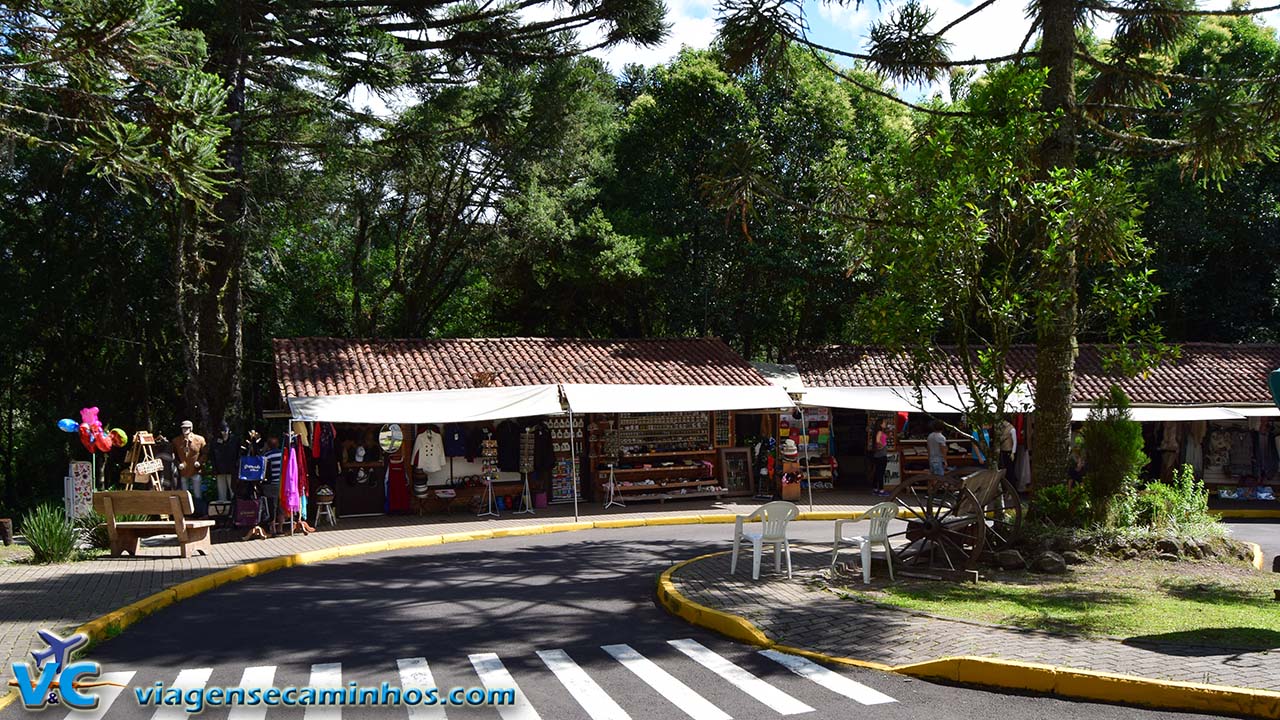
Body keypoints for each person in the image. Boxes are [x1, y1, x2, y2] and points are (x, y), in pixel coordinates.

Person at [210, 421, 239, 503]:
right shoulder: (215, 441)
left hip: (232, 469)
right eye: (222, 431)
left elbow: (238, 454)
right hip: (219, 469)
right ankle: (222, 508)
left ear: (229, 430)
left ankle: (234, 507)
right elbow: (212, 456)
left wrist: (236, 466)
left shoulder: (235, 440)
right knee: (221, 491)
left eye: (225, 431)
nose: (224, 433)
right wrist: (214, 469)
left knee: (233, 489)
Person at [262, 436, 284, 534]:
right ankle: (280, 527)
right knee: (281, 506)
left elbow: (263, 471)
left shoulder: (266, 456)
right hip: (282, 483)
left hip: (271, 484)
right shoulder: (283, 454)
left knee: (272, 506)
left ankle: (273, 528)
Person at [871, 418, 891, 496]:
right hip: (881, 455)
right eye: (884, 423)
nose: (885, 424)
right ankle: (881, 490)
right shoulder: (879, 432)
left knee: (877, 472)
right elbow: (877, 440)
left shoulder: (879, 432)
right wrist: (882, 446)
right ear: (880, 424)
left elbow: (880, 440)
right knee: (880, 472)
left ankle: (875, 488)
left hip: (877, 455)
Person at [997, 416, 1019, 486]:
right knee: (1004, 469)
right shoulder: (1002, 428)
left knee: (1010, 470)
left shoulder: (1012, 429)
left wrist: (1013, 452)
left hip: (1009, 451)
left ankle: (1012, 485)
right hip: (1003, 451)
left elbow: (1015, 442)